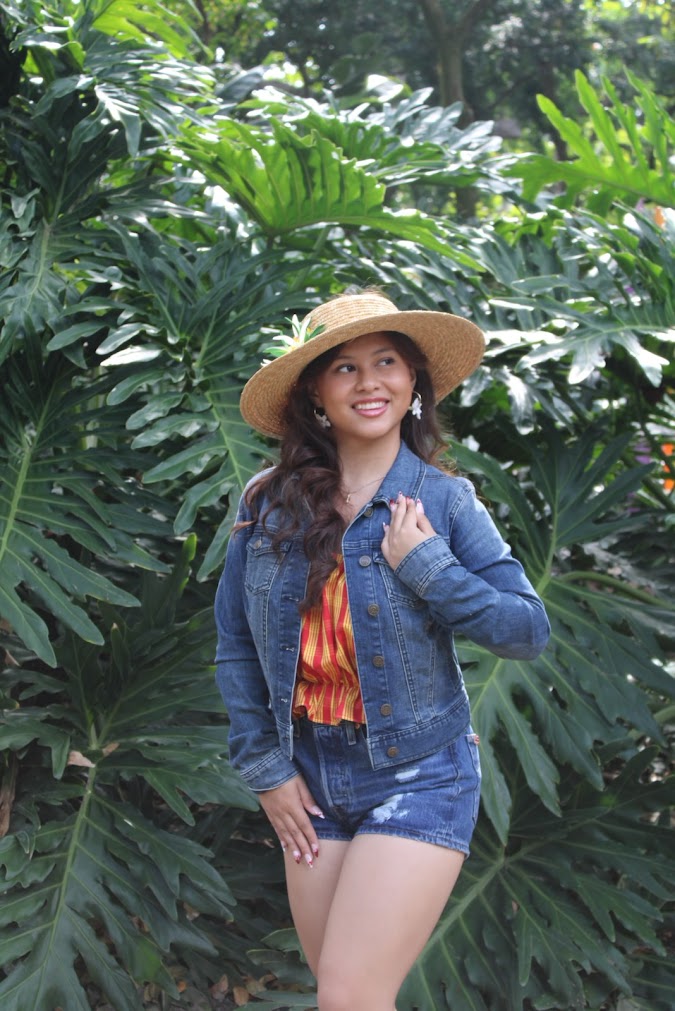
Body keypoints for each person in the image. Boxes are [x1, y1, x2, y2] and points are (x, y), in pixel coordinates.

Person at [214, 289, 550, 1011]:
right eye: (344, 367)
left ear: (413, 381)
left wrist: (429, 568)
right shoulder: (266, 502)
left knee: (349, 995)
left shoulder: (444, 502)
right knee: (346, 997)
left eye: (387, 361)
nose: (369, 382)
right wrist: (266, 769)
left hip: (420, 773)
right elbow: (235, 643)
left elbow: (526, 630)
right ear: (314, 391)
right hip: (307, 776)